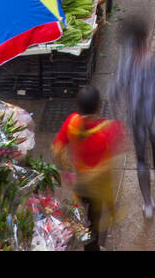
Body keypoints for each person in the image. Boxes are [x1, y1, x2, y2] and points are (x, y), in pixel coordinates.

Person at [109, 15, 155, 219]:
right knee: (148, 154)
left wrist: (117, 112)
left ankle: (150, 192)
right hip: (147, 118)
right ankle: (151, 190)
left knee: (148, 152)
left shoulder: (140, 61)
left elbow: (116, 90)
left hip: (144, 118)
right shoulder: (154, 58)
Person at [53, 85, 124, 250]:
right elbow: (119, 143)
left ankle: (87, 237)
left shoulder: (72, 122)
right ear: (99, 107)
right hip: (98, 186)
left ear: (78, 107)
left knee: (84, 214)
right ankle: (92, 247)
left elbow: (57, 148)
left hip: (80, 183)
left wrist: (68, 168)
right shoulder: (108, 128)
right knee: (95, 220)